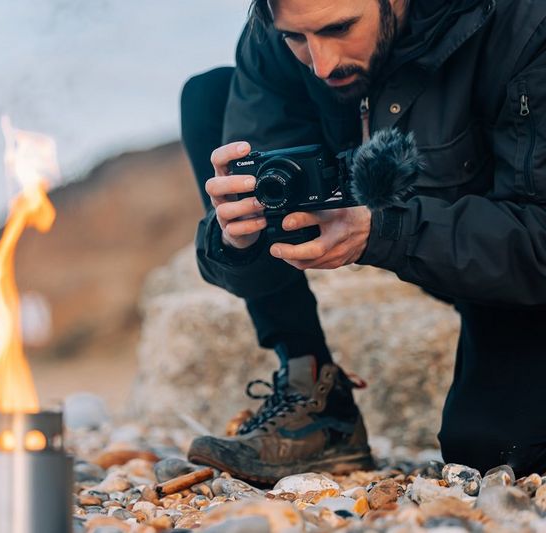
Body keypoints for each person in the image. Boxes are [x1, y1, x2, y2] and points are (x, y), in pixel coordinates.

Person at [181, 0, 546, 485]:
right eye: (297, 38)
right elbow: (244, 241)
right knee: (209, 97)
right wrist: (234, 239)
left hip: (506, 251)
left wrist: (385, 230)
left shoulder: (525, 25)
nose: (322, 63)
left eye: (340, 28)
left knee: (492, 452)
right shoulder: (273, 38)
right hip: (430, 236)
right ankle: (317, 405)